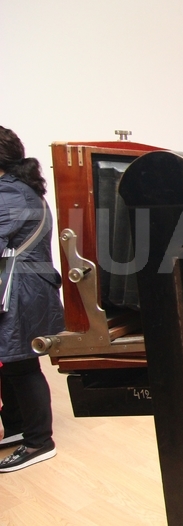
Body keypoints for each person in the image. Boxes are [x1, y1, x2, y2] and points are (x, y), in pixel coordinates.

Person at [0, 126, 66, 472]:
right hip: (27, 288)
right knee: (13, 362)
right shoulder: (21, 189)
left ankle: (39, 441)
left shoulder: (8, 194)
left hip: (19, 292)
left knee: (22, 365)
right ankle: (16, 427)